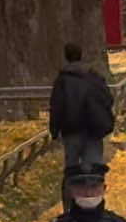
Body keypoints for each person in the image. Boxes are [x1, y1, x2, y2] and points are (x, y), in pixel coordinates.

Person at [49, 44, 115, 173]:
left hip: (71, 129)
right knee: (94, 166)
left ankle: (73, 191)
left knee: (72, 168)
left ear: (66, 56)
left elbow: (57, 107)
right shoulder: (94, 76)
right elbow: (107, 99)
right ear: (81, 55)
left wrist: (54, 132)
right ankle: (94, 190)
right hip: (94, 127)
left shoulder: (62, 80)